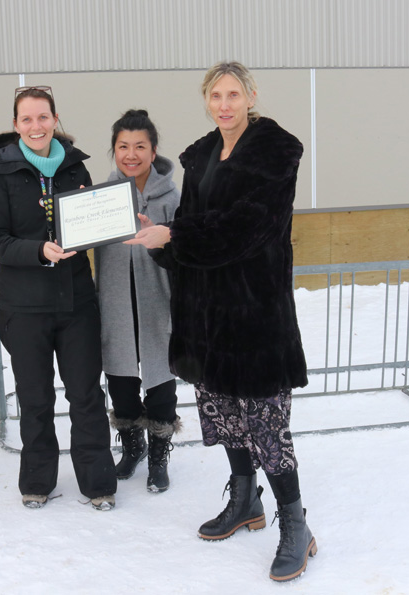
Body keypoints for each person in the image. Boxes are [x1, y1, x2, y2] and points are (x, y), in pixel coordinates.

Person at [127, 62, 318, 581]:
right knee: (227, 416)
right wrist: (162, 237)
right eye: (216, 95)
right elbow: (191, 227)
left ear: (251, 96)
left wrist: (177, 238)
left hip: (255, 315)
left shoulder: (277, 151)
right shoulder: (205, 154)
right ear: (207, 100)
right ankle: (245, 500)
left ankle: (296, 526)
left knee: (266, 426)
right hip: (208, 314)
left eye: (235, 94)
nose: (225, 104)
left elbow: (249, 227)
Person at [0, 86, 117, 510]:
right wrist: (37, 251)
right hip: (25, 307)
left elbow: (93, 220)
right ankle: (37, 481)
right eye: (27, 119)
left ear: (55, 119)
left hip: (76, 304)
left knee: (86, 395)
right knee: (35, 397)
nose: (36, 126)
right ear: (16, 125)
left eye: (43, 117)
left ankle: (98, 483)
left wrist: (117, 222)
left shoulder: (76, 168)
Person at [94, 110, 181, 493]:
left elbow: (186, 249)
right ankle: (133, 447)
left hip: (158, 304)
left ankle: (160, 455)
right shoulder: (100, 197)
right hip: (115, 306)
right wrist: (76, 215)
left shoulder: (172, 198)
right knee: (122, 384)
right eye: (123, 146)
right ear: (114, 151)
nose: (131, 154)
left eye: (140, 146)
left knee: (160, 385)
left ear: (154, 150)